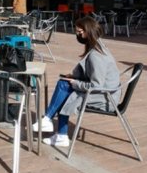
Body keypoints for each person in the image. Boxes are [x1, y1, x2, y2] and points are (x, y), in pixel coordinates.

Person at [32, 16, 121, 147]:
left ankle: (50, 122)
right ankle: (55, 128)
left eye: (80, 33)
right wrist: (74, 76)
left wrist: (76, 83)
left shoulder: (97, 56)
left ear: (88, 32)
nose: (78, 35)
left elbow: (97, 85)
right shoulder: (97, 47)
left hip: (106, 97)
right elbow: (90, 73)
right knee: (64, 84)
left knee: (65, 89)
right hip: (105, 92)